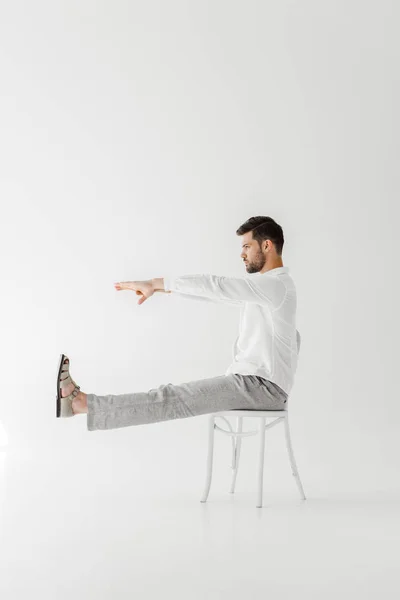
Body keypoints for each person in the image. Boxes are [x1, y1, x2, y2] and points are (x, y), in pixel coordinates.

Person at [56, 215, 299, 431]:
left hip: (262, 388)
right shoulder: (266, 290)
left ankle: (80, 404)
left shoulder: (275, 286)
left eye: (247, 246)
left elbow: (218, 285)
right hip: (257, 385)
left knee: (170, 398)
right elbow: (215, 294)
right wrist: (160, 289)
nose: (241, 254)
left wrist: (157, 283)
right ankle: (80, 404)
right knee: (169, 397)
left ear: (267, 245)